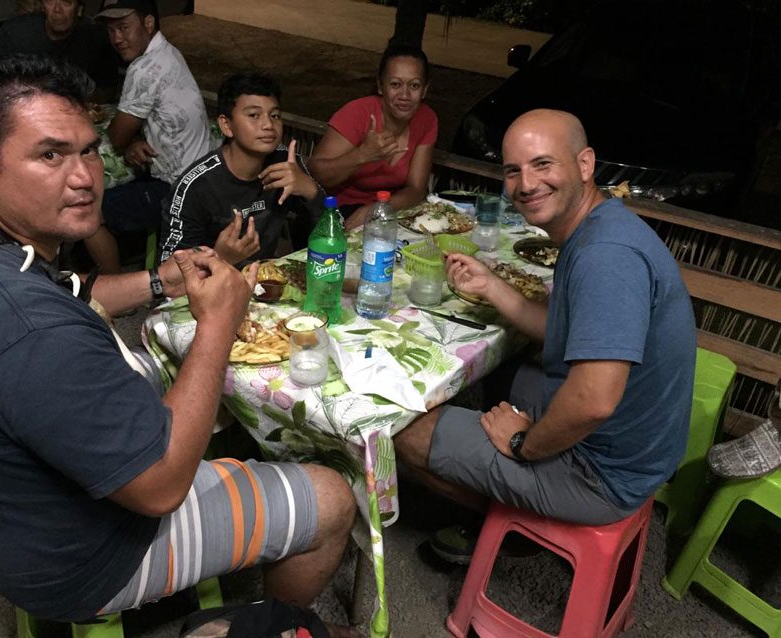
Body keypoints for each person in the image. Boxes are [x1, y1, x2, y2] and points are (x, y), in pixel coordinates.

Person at [0, 56, 357, 635]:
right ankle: (267, 624)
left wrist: (168, 279)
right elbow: (160, 488)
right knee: (332, 497)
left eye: (87, 150)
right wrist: (217, 324)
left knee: (190, 400)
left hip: (2, 518)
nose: (85, 176)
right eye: (50, 155)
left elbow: (77, 292)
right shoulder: (32, 332)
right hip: (83, 559)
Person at [394, 109, 696, 563]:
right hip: (634, 447)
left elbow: (594, 401)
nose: (526, 184)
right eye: (513, 171)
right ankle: (504, 488)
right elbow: (561, 331)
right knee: (509, 367)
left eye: (542, 164)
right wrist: (491, 286)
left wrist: (524, 444)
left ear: (585, 164)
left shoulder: (606, 257)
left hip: (602, 473)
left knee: (401, 432)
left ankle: (512, 528)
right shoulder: (600, 225)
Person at [89, 0, 215, 272]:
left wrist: (129, 141)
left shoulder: (145, 68)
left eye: (123, 27)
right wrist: (134, 141)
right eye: (111, 31)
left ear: (148, 23)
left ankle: (117, 296)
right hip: (200, 176)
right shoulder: (169, 52)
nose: (117, 39)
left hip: (178, 190)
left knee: (87, 212)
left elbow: (118, 136)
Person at [160, 73, 324, 265]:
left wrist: (312, 191)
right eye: (254, 115)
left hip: (265, 282)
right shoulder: (196, 186)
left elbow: (336, 235)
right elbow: (169, 271)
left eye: (275, 115)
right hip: (213, 287)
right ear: (226, 125)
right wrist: (219, 259)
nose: (268, 125)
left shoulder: (286, 162)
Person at [308, 44, 436, 230]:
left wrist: (374, 211)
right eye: (395, 84)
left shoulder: (427, 119)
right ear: (380, 86)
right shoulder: (357, 113)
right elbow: (316, 174)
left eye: (414, 85)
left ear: (424, 90)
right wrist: (362, 155)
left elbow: (416, 190)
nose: (405, 95)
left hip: (386, 212)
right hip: (335, 212)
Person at [0, 0, 120, 103]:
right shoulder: (15, 32)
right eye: (50, 0)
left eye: (67, 2)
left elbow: (109, 90)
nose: (57, 9)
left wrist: (84, 92)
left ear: (79, 7)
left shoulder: (95, 34)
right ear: (42, 5)